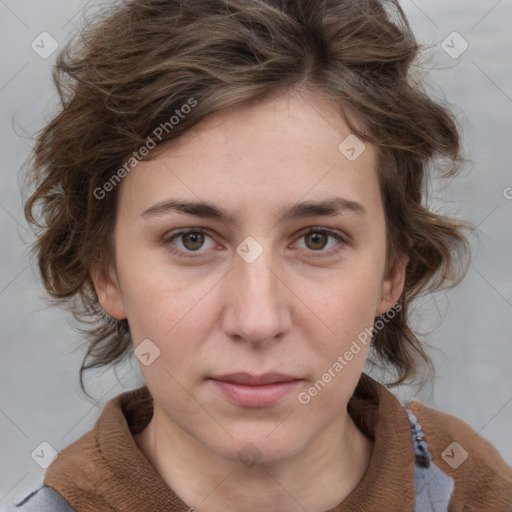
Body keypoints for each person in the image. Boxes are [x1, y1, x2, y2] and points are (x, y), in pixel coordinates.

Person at [16, 0, 512, 510]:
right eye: (192, 239)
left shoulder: (480, 491)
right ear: (107, 273)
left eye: (317, 239)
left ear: (392, 272)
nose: (257, 321)